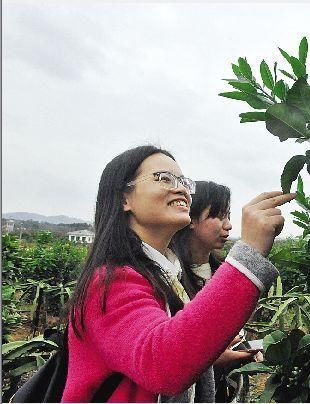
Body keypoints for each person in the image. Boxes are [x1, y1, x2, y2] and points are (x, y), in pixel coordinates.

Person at [62, 145, 295, 402]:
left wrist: (210, 356)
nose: (181, 188)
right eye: (163, 178)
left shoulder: (166, 275)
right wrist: (249, 254)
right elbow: (161, 364)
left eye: (183, 181)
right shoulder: (108, 283)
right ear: (124, 199)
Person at [171, 181, 255, 402]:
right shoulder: (170, 279)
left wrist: (242, 348)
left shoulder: (224, 274)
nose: (228, 226)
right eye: (218, 216)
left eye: (228, 216)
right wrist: (210, 357)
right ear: (190, 218)